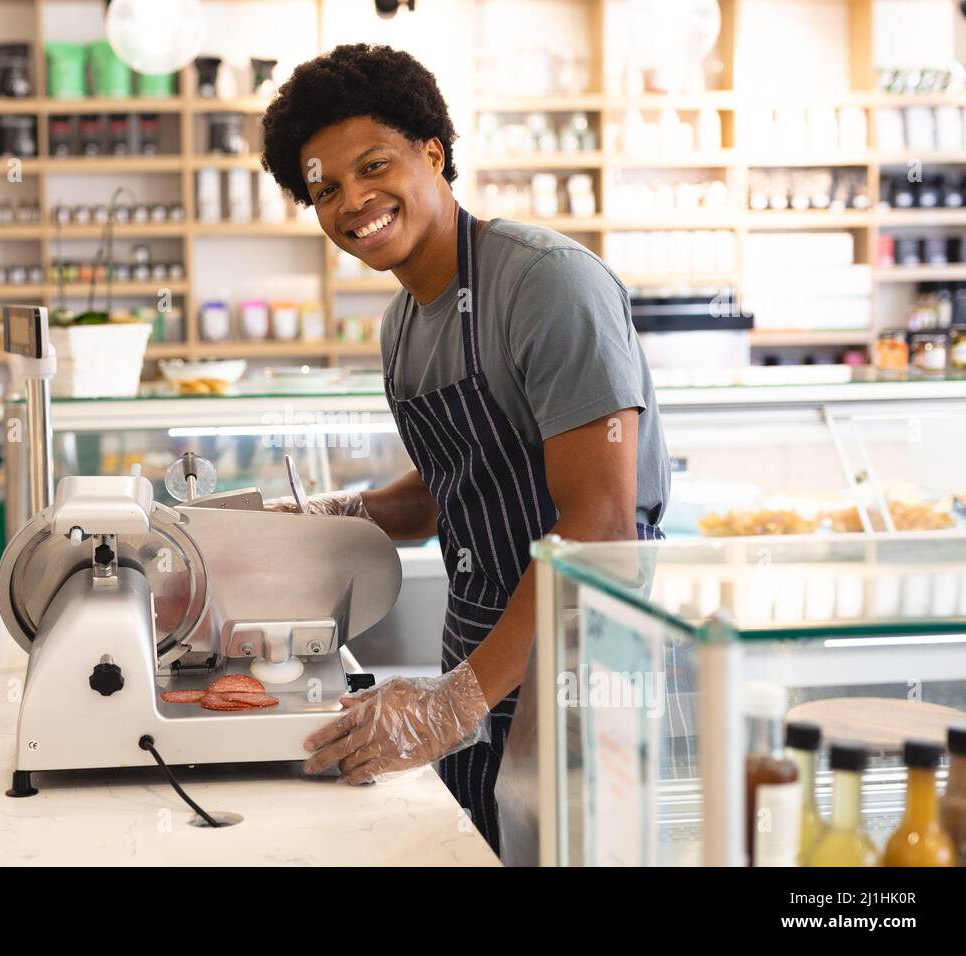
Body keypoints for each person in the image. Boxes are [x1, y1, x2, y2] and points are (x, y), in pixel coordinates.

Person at [259, 43, 669, 853]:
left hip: (583, 667)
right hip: (477, 654)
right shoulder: (402, 324)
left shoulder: (545, 284)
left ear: (433, 152)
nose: (355, 201)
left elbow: (603, 524)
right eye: (326, 188)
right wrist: (328, 517)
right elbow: (455, 486)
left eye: (375, 165)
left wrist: (453, 703)